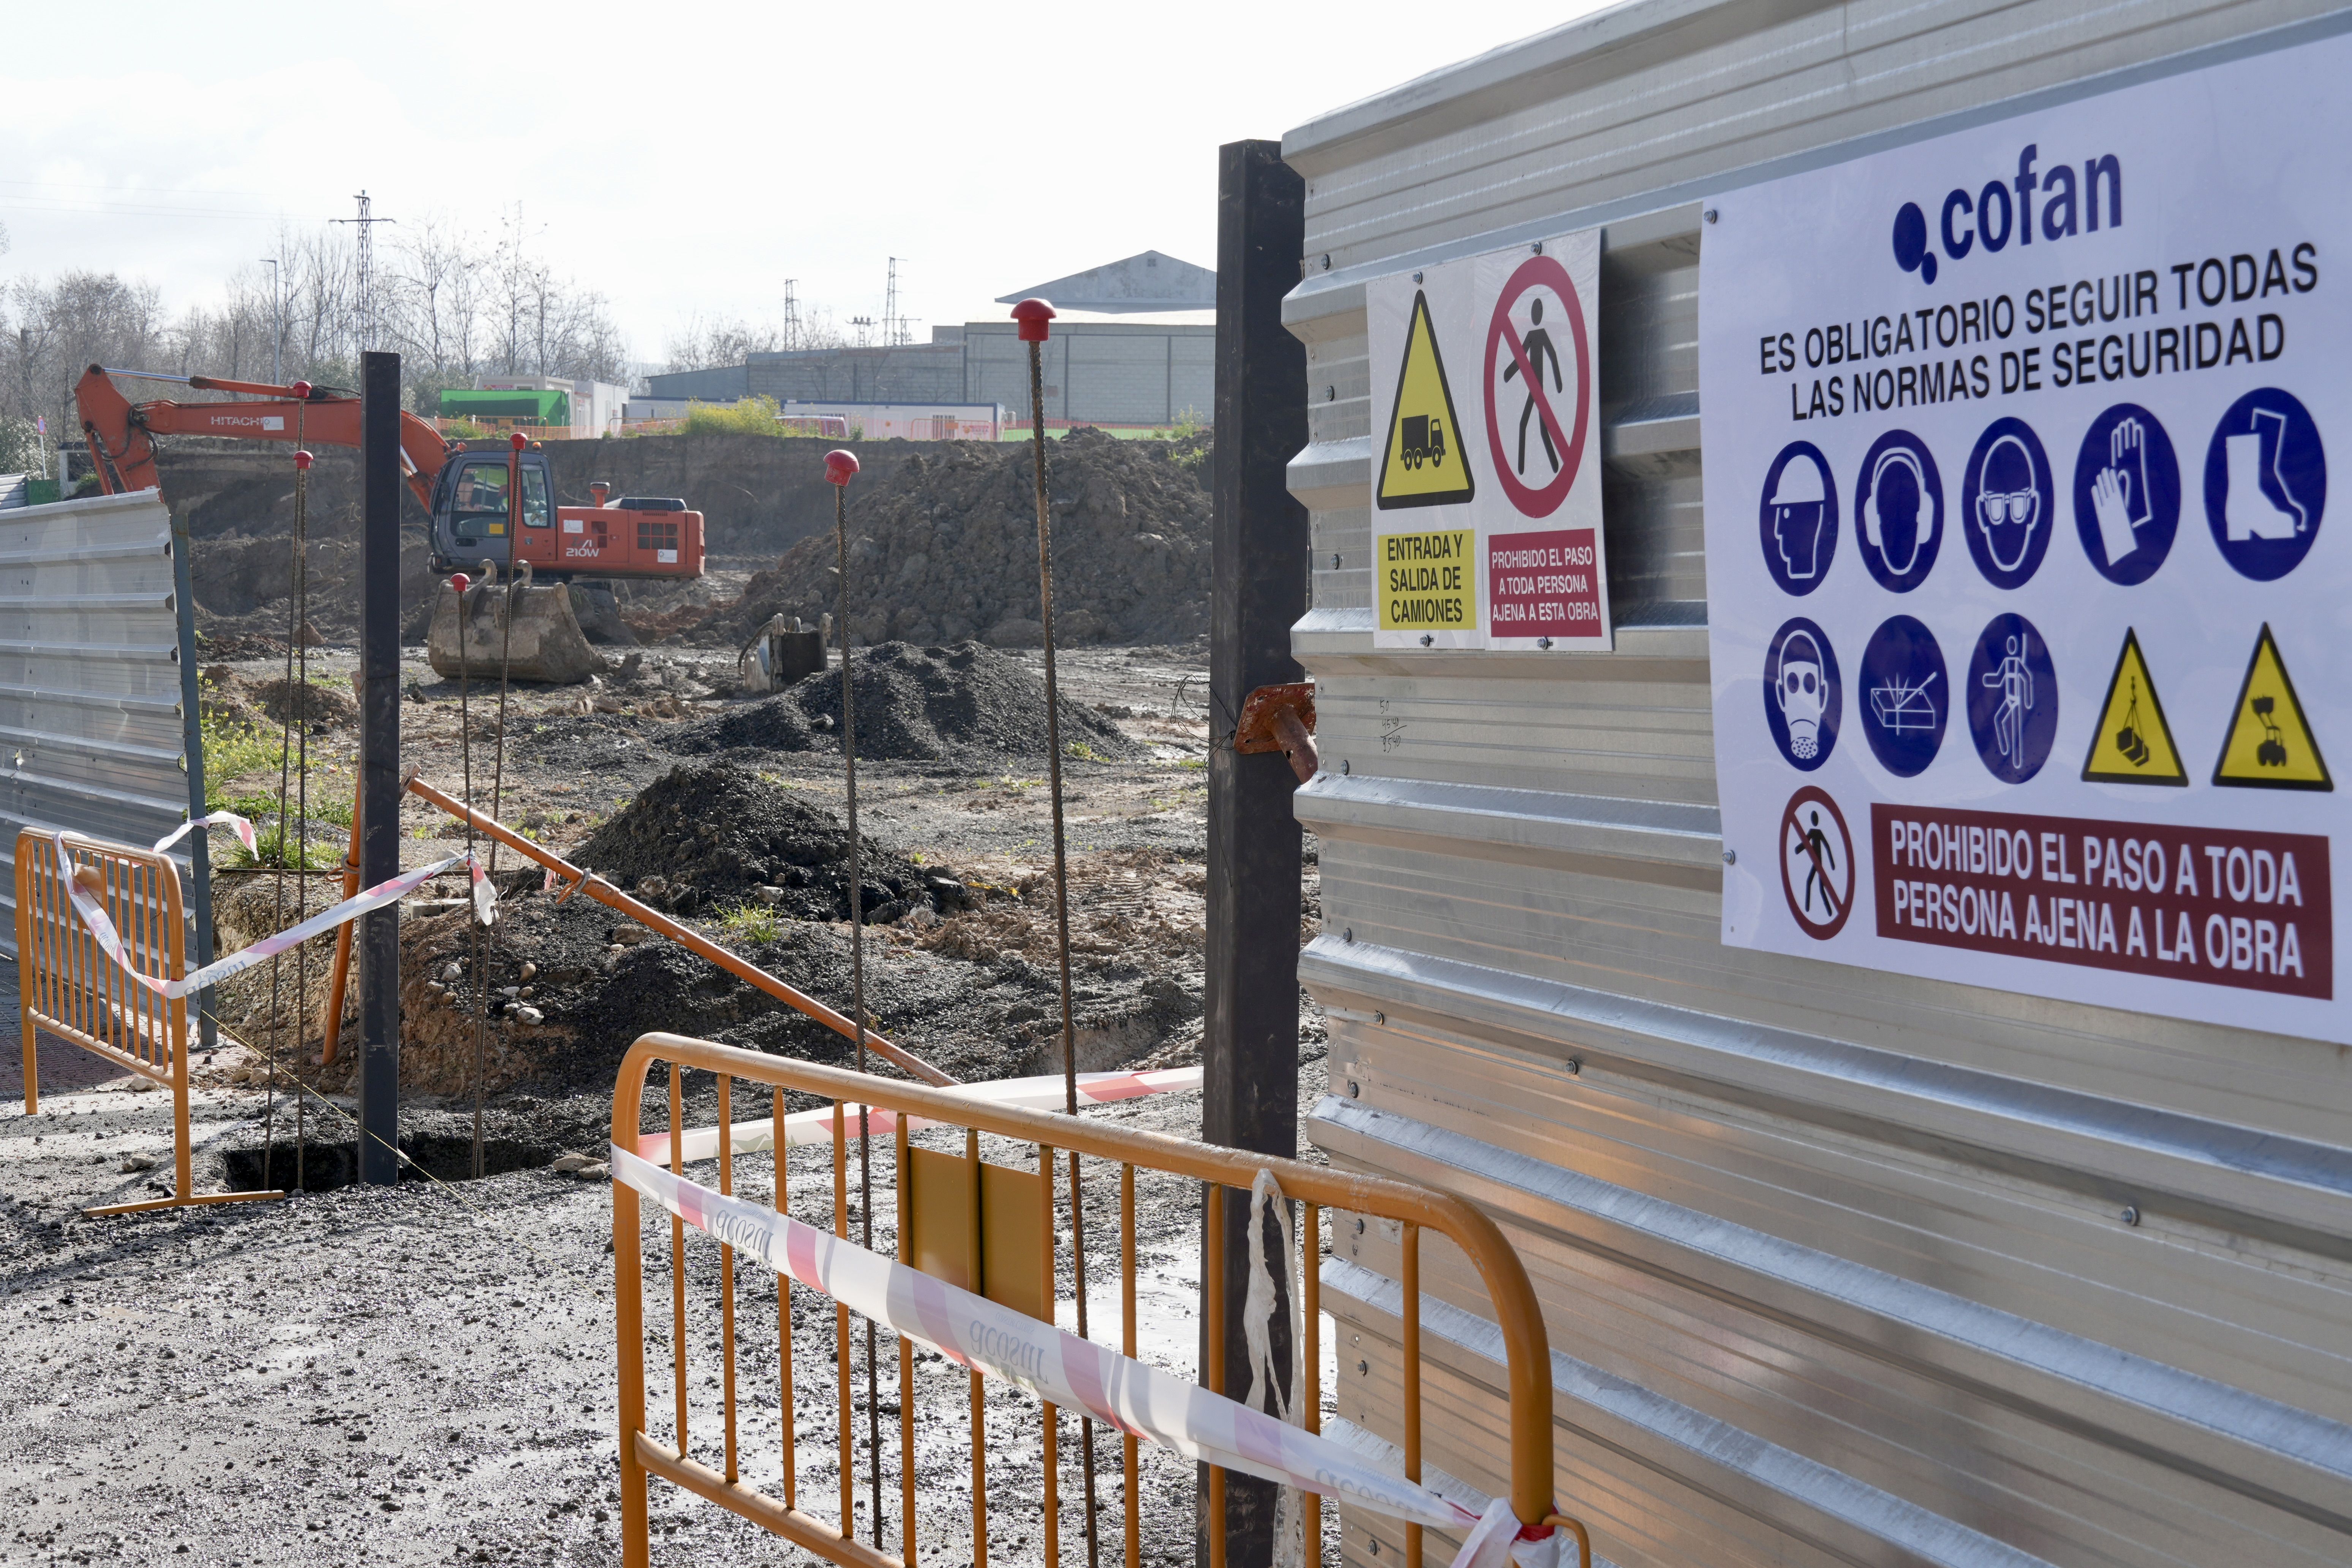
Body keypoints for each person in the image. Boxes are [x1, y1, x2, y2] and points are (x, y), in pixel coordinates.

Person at [1501, 297, 1564, 477]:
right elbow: (1520, 358)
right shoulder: (1532, 336)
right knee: (1530, 426)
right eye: (1534, 313)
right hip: (1534, 388)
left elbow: (1552, 356)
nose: (1535, 316)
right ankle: (1527, 468)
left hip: (1538, 389)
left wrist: (1559, 382)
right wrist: (1509, 373)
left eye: (1537, 313)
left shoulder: (1542, 335)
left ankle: (1548, 466)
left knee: (1533, 427)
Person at [1794, 807, 1838, 918]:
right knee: (1819, 886)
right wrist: (1798, 849)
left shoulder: (1815, 832)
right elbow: (1808, 842)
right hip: (1818, 861)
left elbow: (1808, 843)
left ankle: (1813, 909)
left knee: (1812, 884)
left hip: (1817, 862)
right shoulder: (1815, 832)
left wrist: (1832, 863)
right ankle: (1819, 910)